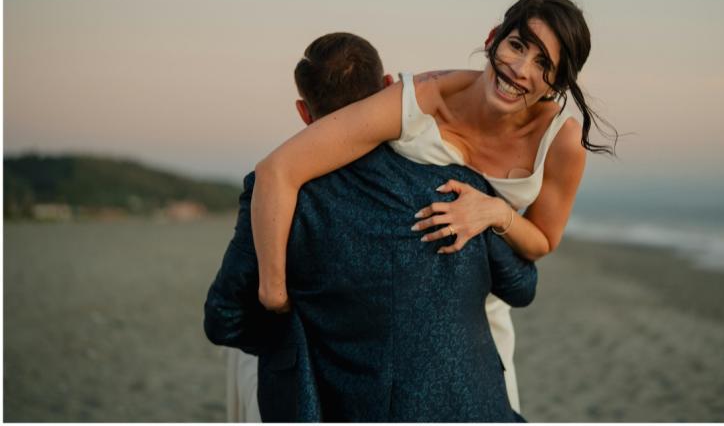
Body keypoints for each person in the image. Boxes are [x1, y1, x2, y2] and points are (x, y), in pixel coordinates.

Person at [252, 0, 618, 411]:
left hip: (477, 319)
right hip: (381, 309)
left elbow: (542, 242)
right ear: (494, 37)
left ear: (560, 82)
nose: (520, 70)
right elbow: (277, 171)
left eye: (544, 65)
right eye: (517, 45)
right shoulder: (419, 97)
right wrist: (273, 291)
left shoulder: (562, 141)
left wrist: (495, 211)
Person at [205, 32, 536, 421]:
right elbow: (521, 287)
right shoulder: (457, 184)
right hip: (469, 408)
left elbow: (224, 320)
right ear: (387, 88)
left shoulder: (276, 197)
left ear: (303, 113)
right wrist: (496, 212)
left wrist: (306, 327)